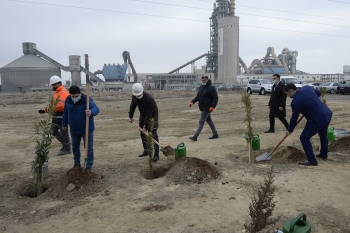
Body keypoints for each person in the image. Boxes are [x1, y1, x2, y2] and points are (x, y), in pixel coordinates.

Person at [284, 83, 332, 166]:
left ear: (291, 91)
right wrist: (311, 102)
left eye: (287, 94)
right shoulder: (306, 88)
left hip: (317, 119)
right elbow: (318, 93)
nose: (287, 96)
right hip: (326, 114)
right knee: (323, 135)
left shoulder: (295, 102)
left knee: (304, 137)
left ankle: (312, 160)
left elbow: (294, 118)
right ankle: (323, 154)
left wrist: (290, 130)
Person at [62, 86, 99, 171]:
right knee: (75, 147)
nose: (74, 98)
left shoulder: (86, 99)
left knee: (88, 147)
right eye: (73, 96)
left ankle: (88, 165)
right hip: (74, 129)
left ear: (80, 93)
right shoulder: (68, 99)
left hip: (87, 129)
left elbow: (96, 108)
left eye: (76, 96)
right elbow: (65, 112)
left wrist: (91, 112)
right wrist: (64, 123)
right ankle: (77, 163)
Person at [38, 75, 71, 155]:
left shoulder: (63, 92)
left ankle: (67, 148)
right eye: (52, 85)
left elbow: (61, 105)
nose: (53, 86)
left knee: (63, 132)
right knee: (53, 131)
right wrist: (45, 110)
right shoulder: (57, 93)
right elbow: (53, 104)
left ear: (59, 83)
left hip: (62, 115)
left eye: (54, 84)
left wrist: (50, 109)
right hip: (56, 115)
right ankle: (65, 145)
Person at [128, 83, 160, 162]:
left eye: (139, 95)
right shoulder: (134, 96)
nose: (138, 96)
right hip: (143, 114)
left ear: (142, 91)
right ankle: (146, 150)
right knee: (142, 133)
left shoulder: (149, 99)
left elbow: (149, 114)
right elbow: (132, 106)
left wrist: (145, 126)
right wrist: (130, 116)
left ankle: (156, 154)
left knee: (153, 132)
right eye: (137, 95)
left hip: (152, 114)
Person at [188, 75, 219, 141]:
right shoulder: (201, 87)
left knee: (201, 121)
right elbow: (198, 96)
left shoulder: (211, 88)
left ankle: (195, 136)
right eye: (202, 80)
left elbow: (215, 98)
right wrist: (192, 102)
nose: (203, 81)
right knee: (209, 121)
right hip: (202, 107)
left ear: (207, 80)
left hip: (207, 108)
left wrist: (213, 107)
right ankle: (215, 133)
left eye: (204, 80)